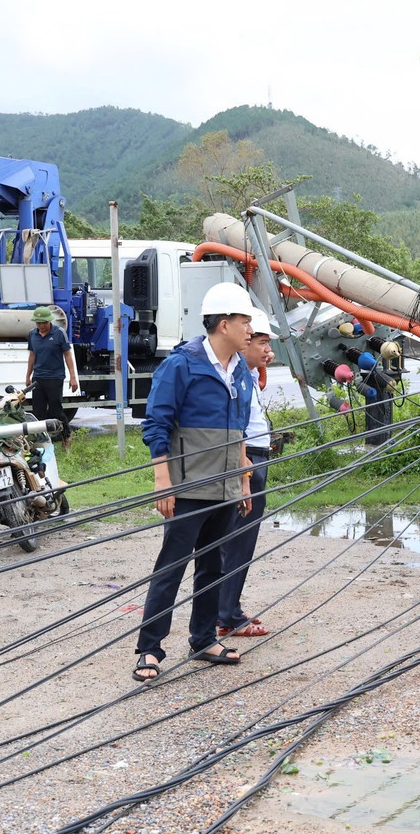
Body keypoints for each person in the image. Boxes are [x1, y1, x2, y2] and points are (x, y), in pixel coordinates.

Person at [133, 282, 256, 682]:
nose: (250, 329)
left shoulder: (240, 371)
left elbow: (238, 430)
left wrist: (244, 479)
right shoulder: (182, 365)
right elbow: (156, 422)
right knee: (171, 566)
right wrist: (162, 480)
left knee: (213, 565)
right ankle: (149, 649)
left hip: (225, 486)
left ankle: (203, 639)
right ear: (223, 324)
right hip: (187, 488)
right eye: (244, 320)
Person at [218, 308, 277, 639]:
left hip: (253, 458)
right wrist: (245, 471)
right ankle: (226, 615)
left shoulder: (248, 374)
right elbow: (237, 425)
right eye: (263, 343)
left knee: (237, 540)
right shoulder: (237, 374)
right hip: (247, 461)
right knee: (237, 540)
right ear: (244, 341)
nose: (268, 351)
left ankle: (229, 607)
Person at [25, 306, 78, 449]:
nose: (41, 326)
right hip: (38, 378)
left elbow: (68, 355)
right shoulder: (32, 334)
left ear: (49, 321)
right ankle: (41, 442)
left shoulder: (59, 333)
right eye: (38, 323)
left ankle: (66, 435)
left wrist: (73, 377)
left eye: (44, 323)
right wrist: (28, 375)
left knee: (56, 411)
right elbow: (32, 355)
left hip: (55, 377)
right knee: (38, 412)